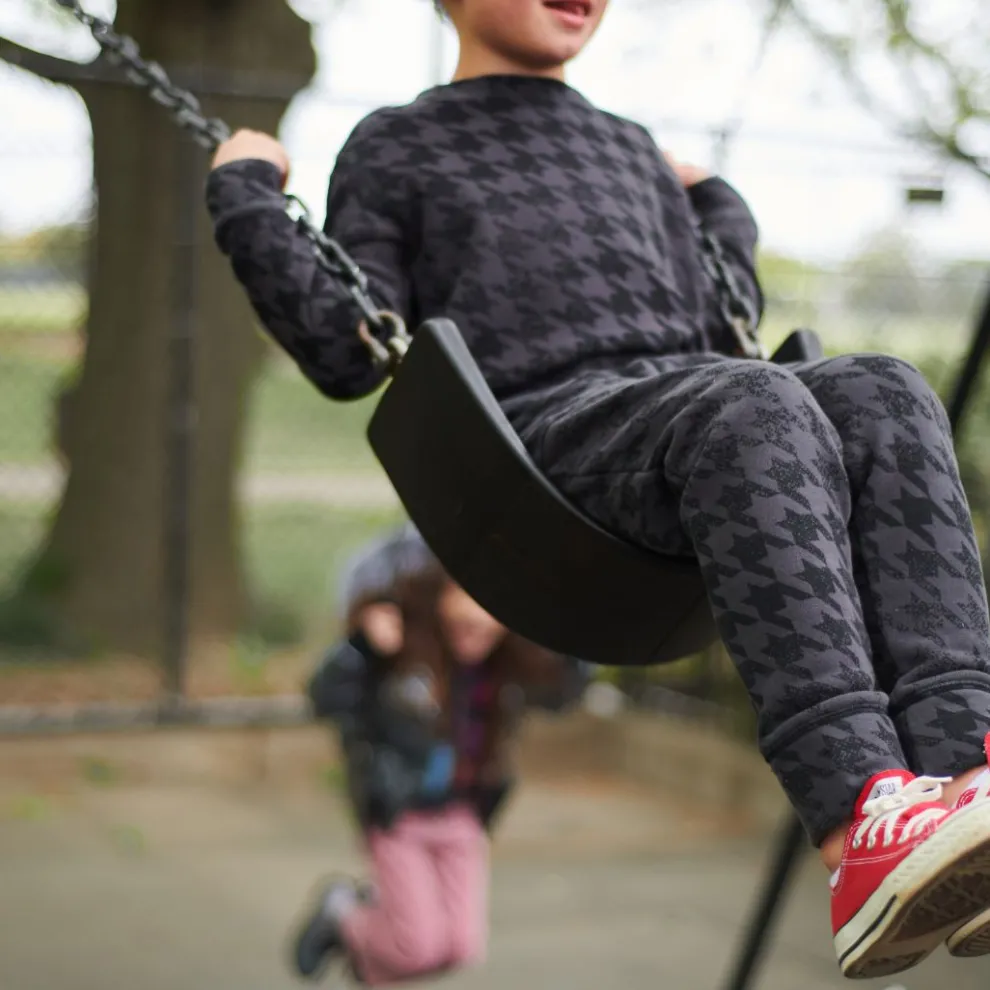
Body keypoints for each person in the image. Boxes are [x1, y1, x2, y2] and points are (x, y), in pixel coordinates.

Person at [204, 0, 990, 978]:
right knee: (752, 403)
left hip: (686, 405)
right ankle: (858, 816)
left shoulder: (631, 147)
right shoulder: (396, 143)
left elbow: (722, 324)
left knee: (884, 390)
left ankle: (964, 769)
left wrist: (718, 210)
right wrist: (247, 196)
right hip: (540, 443)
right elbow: (345, 343)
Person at [294, 522, 590, 986]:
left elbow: (563, 695)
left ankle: (369, 962)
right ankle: (343, 911)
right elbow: (323, 698)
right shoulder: (403, 653)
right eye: (468, 599)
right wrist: (361, 647)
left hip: (464, 814)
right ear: (441, 592)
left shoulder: (507, 664)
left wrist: (573, 640)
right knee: (416, 945)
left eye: (494, 606)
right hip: (401, 812)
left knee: (460, 947)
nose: (479, 619)